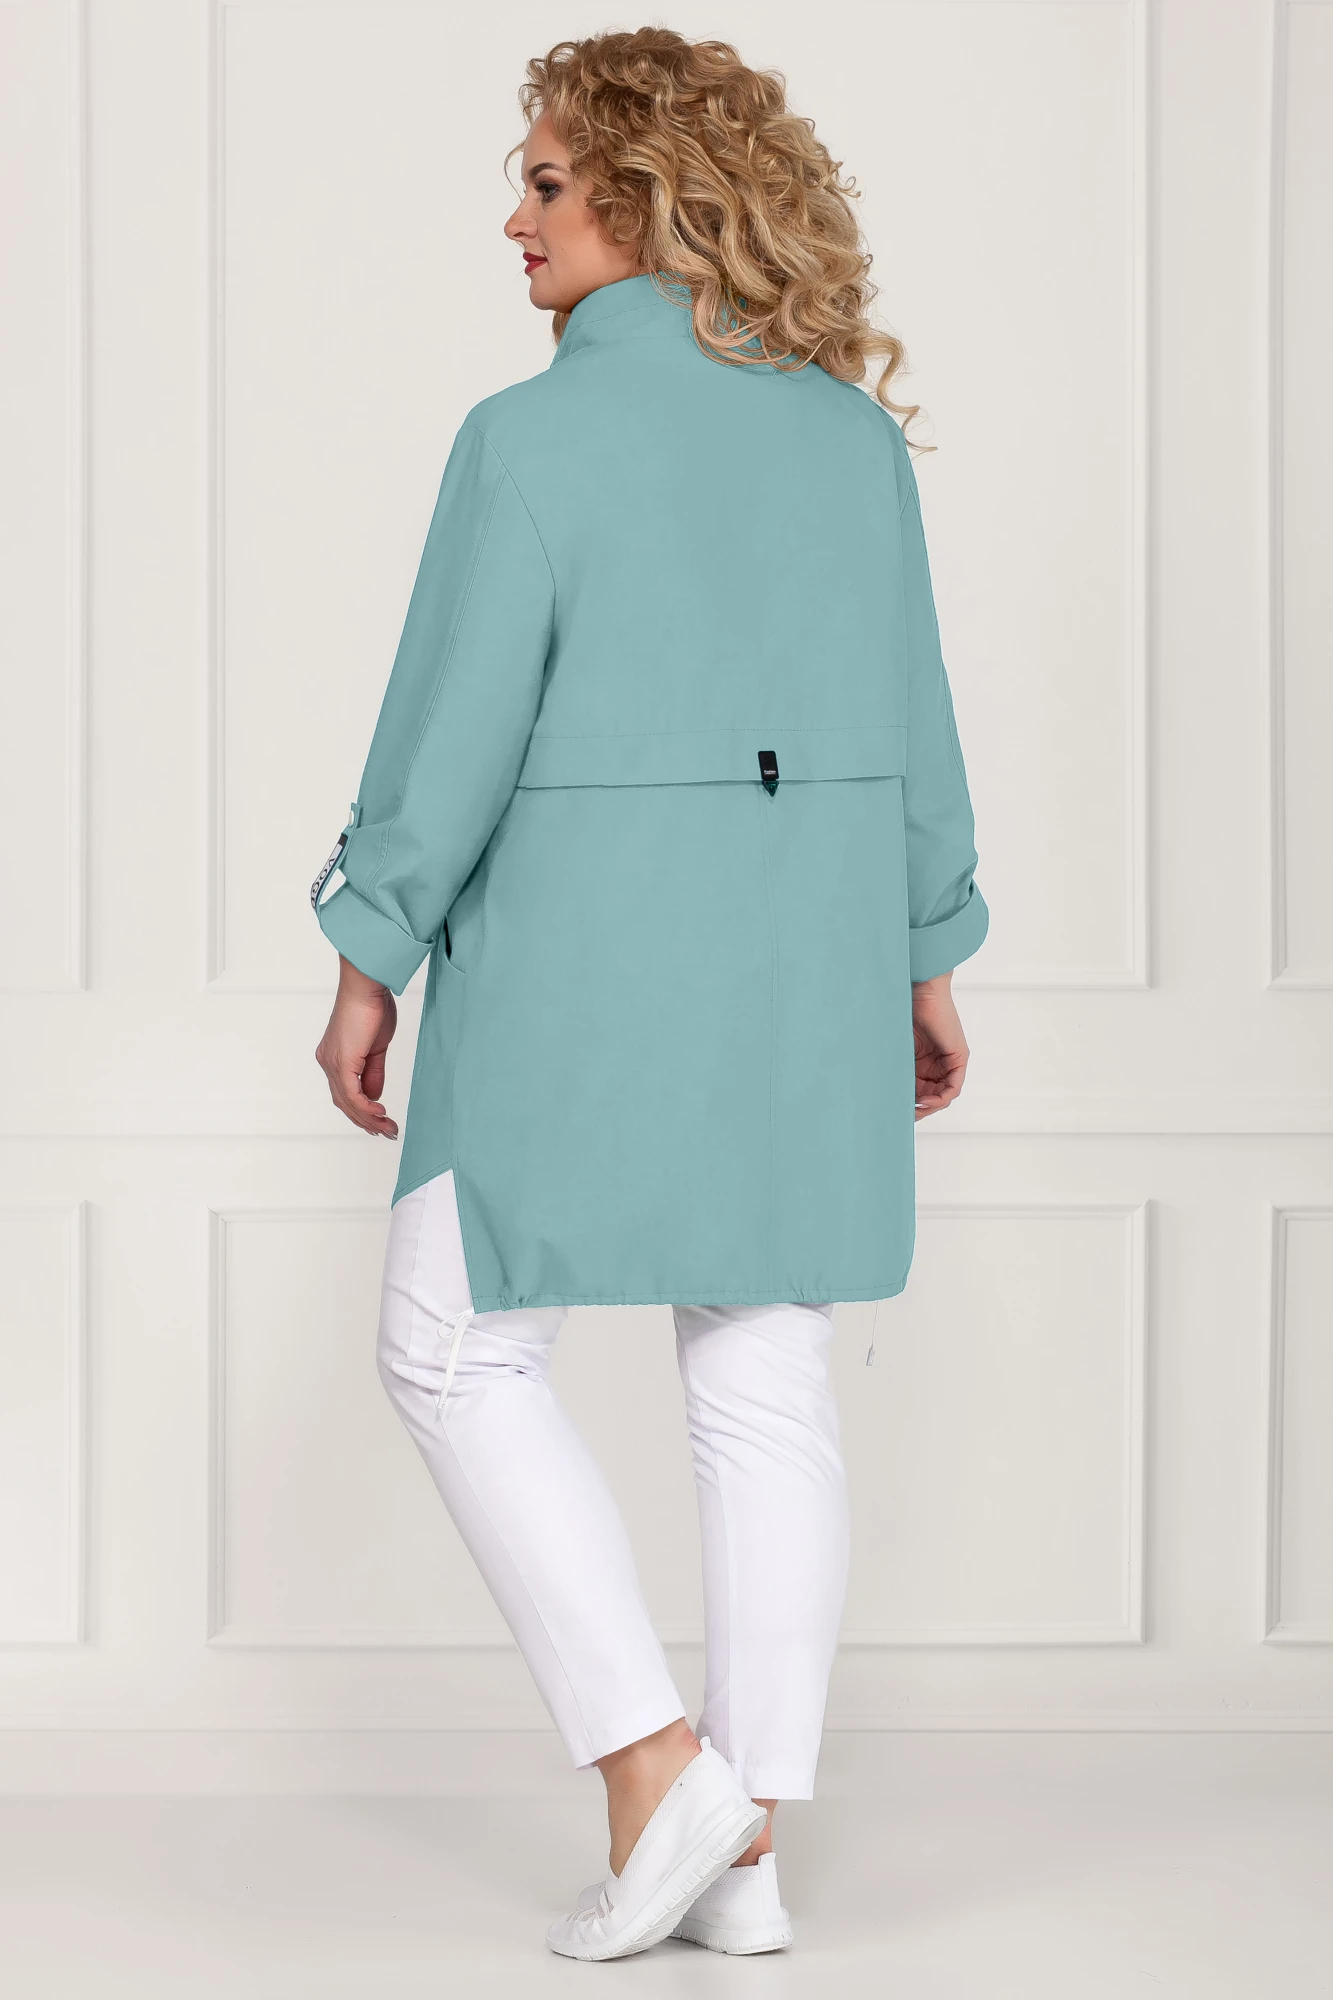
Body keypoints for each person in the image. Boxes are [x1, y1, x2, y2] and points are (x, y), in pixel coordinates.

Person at [311, 25, 987, 1963]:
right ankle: (742, 1856)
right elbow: (916, 722)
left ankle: (659, 1773)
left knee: (451, 1347)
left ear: (648, 191)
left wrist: (369, 953)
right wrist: (927, 952)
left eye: (544, 182)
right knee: (764, 1368)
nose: (512, 221)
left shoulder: (527, 442)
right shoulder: (851, 443)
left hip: (583, 973)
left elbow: (450, 737)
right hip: (800, 974)